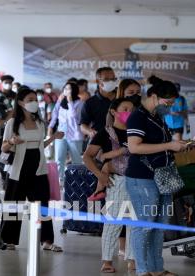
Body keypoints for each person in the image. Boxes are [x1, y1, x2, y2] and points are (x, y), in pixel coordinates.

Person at [126, 78, 187, 276]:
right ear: (154, 96)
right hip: (142, 178)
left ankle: (157, 269)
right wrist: (169, 146)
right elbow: (135, 147)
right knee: (144, 226)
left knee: (158, 226)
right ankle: (142, 270)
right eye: (167, 103)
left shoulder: (156, 117)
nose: (169, 108)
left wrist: (179, 146)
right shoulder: (138, 117)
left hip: (161, 177)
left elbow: (160, 145)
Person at [1, 86, 64, 252]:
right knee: (14, 204)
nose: (34, 103)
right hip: (18, 169)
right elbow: (4, 148)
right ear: (21, 102)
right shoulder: (13, 123)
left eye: (35, 100)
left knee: (43, 205)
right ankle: (8, 239)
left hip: (39, 168)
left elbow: (40, 146)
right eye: (30, 100)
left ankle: (47, 240)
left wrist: (53, 138)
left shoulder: (39, 122)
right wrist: (12, 142)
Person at [83, 98, 136, 273]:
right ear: (114, 112)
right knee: (113, 222)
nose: (129, 111)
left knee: (135, 222)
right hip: (117, 181)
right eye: (125, 108)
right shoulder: (105, 133)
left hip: (138, 181)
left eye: (132, 108)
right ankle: (107, 260)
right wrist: (100, 175)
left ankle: (133, 260)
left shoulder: (136, 132)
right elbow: (87, 156)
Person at [48, 82, 84, 183]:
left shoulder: (80, 103)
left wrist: (70, 102)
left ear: (74, 91)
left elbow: (76, 119)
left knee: (76, 160)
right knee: (59, 158)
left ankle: (78, 181)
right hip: (61, 133)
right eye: (65, 88)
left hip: (75, 135)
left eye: (69, 89)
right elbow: (55, 114)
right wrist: (50, 127)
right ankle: (59, 181)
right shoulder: (60, 102)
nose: (66, 91)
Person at [80, 67, 117, 140]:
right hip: (99, 141)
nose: (111, 82)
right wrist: (90, 132)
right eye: (106, 79)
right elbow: (83, 125)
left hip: (120, 141)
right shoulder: (90, 102)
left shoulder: (122, 98)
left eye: (113, 79)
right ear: (97, 81)